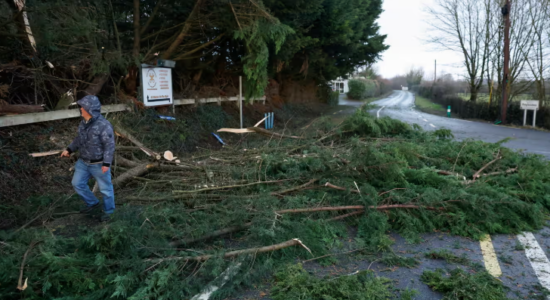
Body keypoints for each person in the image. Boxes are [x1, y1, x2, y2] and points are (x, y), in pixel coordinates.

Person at [60, 95, 116, 222]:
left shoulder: (104, 125)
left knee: (106, 190)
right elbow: (78, 139)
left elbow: (109, 145)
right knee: (77, 183)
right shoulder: (83, 123)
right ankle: (92, 204)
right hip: (83, 162)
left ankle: (109, 212)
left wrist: (106, 164)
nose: (81, 109)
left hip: (99, 163)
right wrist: (69, 149)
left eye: (83, 107)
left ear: (90, 109)